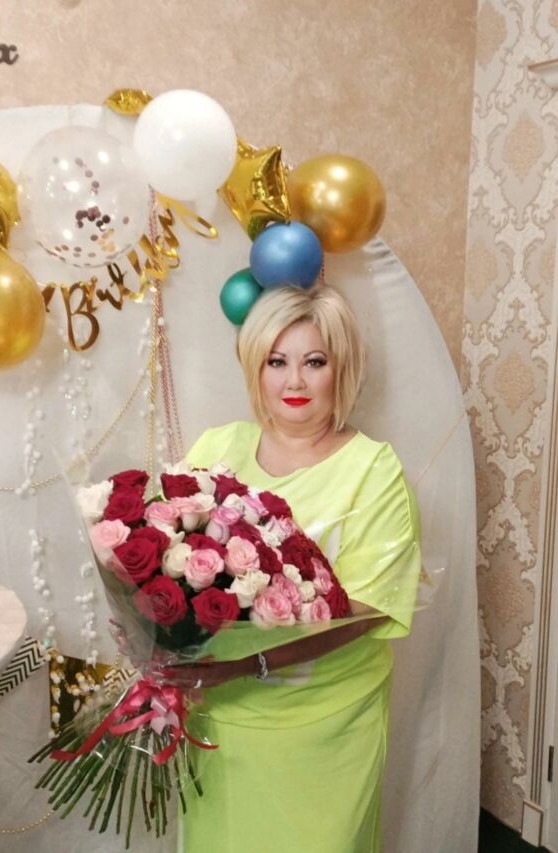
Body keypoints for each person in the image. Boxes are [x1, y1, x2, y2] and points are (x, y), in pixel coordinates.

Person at [170, 284, 422, 853]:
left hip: (325, 724)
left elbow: (364, 612)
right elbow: (168, 561)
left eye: (314, 362)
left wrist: (248, 664)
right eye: (276, 362)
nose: (295, 382)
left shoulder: (373, 470)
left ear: (342, 368)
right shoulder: (218, 447)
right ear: (254, 368)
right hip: (221, 718)